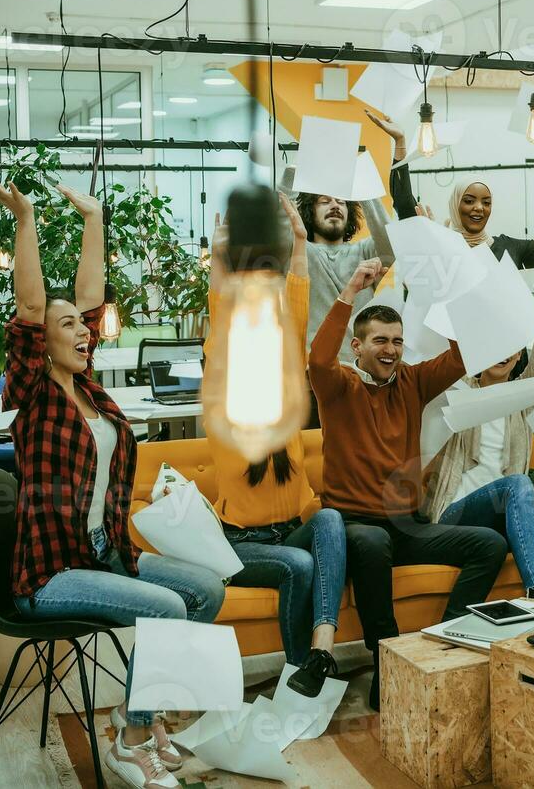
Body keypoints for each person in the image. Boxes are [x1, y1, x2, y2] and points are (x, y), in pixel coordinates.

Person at [0, 176, 224, 789]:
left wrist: (94, 218)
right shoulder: (36, 394)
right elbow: (36, 306)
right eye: (70, 327)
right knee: (170, 607)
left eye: (85, 326)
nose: (84, 330)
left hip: (105, 554)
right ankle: (130, 739)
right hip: (51, 574)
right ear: (43, 342)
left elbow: (85, 297)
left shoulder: (90, 391)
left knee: (206, 591)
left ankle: (132, 713)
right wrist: (29, 216)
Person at [308, 257, 508, 710]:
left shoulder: (413, 382)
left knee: (488, 545)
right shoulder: (338, 384)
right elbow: (318, 356)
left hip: (406, 524)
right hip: (354, 525)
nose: (391, 350)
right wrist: (349, 292)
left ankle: (445, 643)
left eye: (398, 342)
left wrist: (445, 290)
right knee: (374, 541)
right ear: (356, 346)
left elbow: (462, 355)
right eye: (380, 341)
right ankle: (386, 662)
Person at [207, 195, 346, 697]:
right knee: (301, 564)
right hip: (241, 545)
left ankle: (322, 650)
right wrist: (222, 258)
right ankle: (294, 675)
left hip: (289, 528)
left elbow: (299, 300)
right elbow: (220, 307)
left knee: (330, 519)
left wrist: (300, 238)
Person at [421, 220, 534, 602]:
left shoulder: (520, 396)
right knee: (519, 484)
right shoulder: (459, 390)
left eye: (511, 345)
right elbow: (443, 325)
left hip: (500, 514)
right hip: (453, 513)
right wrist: (436, 259)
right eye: (495, 345)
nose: (505, 353)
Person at [365, 110, 534, 269]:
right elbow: (404, 202)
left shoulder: (509, 249)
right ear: (455, 204)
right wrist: (401, 143)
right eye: (469, 200)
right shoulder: (439, 244)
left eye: (486, 202)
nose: (478, 208)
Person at [297, 114, 421, 363]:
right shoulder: (301, 253)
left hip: (362, 370)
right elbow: (281, 219)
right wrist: (303, 169)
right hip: (317, 371)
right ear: (310, 211)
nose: (335, 205)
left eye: (341, 201)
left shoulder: (365, 253)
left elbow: (390, 241)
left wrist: (360, 180)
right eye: (325, 201)